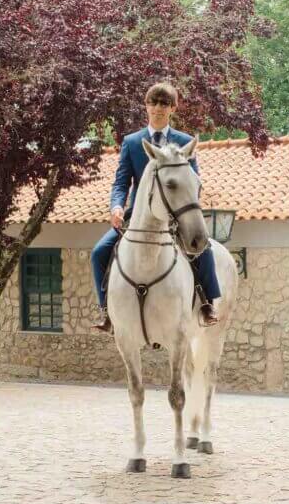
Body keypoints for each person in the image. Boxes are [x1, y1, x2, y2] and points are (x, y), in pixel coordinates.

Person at [90, 81, 221, 333]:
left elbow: (193, 180)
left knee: (203, 248)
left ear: (173, 108)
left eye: (164, 104)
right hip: (138, 216)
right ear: (146, 106)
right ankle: (106, 310)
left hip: (176, 215)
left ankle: (207, 303)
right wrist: (116, 206)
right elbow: (121, 182)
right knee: (98, 252)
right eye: (153, 103)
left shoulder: (184, 142)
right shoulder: (132, 142)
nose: (158, 108)